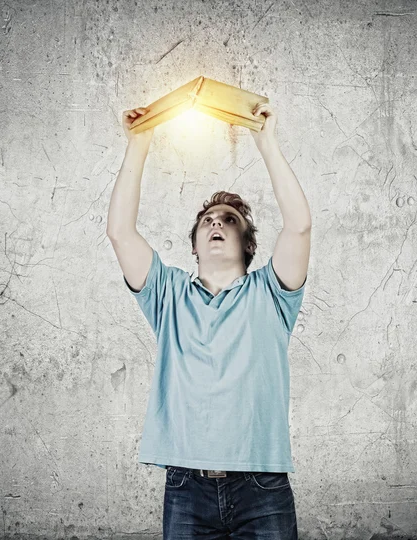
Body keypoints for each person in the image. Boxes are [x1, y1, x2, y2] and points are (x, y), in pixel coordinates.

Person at [107, 100, 311, 539]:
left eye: (230, 220)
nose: (217, 222)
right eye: (207, 221)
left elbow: (298, 227)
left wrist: (266, 142)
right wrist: (139, 143)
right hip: (186, 487)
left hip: (262, 484)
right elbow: (121, 233)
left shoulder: (271, 294)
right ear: (196, 246)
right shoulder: (169, 294)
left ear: (248, 244)